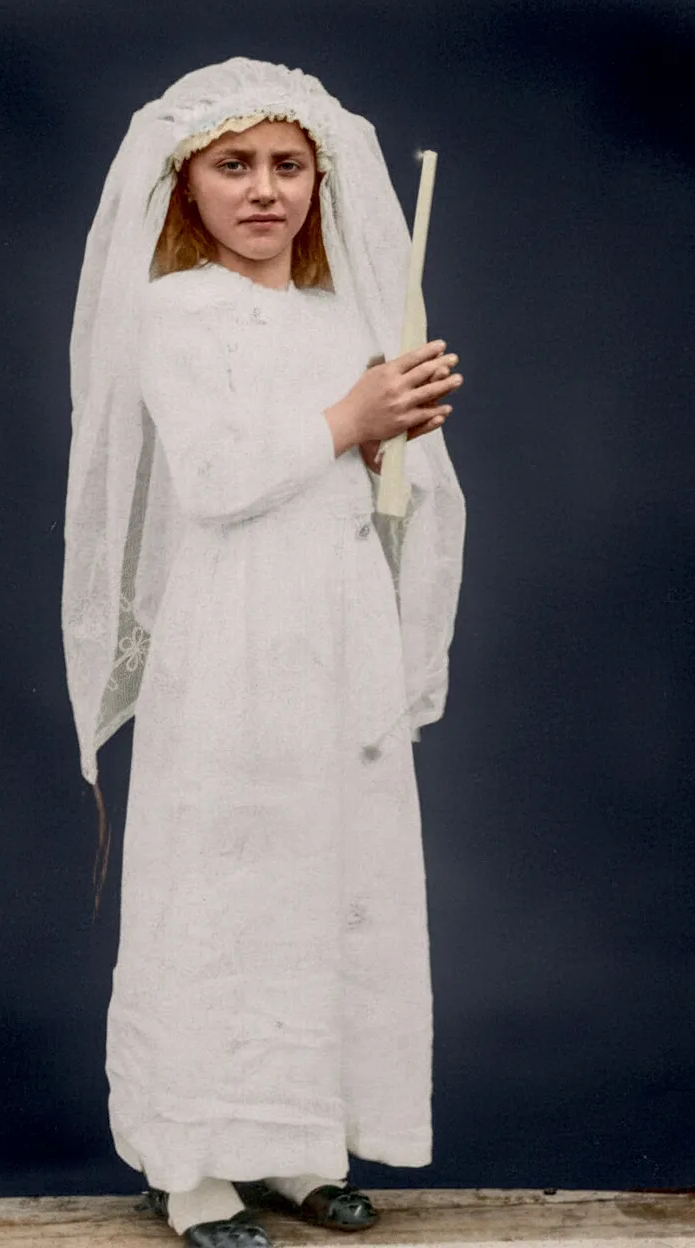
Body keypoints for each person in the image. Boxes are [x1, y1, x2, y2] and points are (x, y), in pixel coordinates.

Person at [62, 57, 466, 1248]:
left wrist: (402, 432)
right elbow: (219, 479)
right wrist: (352, 419)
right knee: (221, 872)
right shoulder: (173, 309)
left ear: (319, 180)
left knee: (325, 872)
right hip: (234, 628)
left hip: (332, 620)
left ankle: (291, 1148)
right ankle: (188, 1164)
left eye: (289, 166)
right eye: (234, 166)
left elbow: (370, 481)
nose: (265, 190)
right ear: (186, 183)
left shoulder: (341, 317)